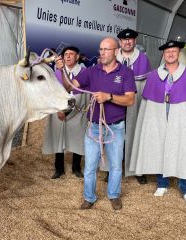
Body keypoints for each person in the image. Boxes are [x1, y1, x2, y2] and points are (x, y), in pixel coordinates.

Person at [56, 37, 136, 210]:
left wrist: (109, 97)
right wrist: (62, 71)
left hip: (116, 126)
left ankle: (114, 195)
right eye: (100, 49)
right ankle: (89, 197)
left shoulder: (126, 73)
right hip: (93, 126)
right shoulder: (91, 71)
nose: (102, 52)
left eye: (106, 49)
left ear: (116, 52)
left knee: (115, 165)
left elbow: (130, 100)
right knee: (90, 166)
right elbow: (69, 86)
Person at [129, 40, 186, 207]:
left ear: (179, 53)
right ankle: (162, 183)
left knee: (184, 149)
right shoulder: (154, 75)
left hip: (182, 118)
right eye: (167, 52)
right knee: (159, 147)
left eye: (173, 51)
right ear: (163, 55)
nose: (170, 54)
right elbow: (147, 104)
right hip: (158, 116)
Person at [100, 28, 151, 184]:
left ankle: (136, 169)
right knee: (112, 133)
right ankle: (110, 168)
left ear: (134, 41)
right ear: (119, 42)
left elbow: (147, 85)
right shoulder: (112, 57)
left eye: (130, 39)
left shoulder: (143, 59)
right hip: (114, 99)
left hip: (135, 99)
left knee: (135, 134)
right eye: (123, 40)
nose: (127, 42)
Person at [43, 46, 90, 179]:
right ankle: (59, 169)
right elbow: (53, 92)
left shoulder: (84, 71)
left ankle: (76, 167)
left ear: (77, 56)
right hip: (59, 108)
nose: (68, 56)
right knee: (58, 136)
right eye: (66, 54)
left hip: (78, 109)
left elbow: (85, 95)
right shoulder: (56, 72)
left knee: (78, 135)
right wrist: (59, 110)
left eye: (71, 54)